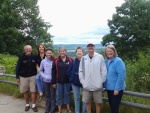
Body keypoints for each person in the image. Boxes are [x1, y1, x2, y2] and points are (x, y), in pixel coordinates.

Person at [79, 42, 107, 113]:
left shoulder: (100, 57)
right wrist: (83, 82)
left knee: (98, 103)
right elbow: (80, 71)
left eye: (92, 46)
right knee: (87, 102)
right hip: (86, 86)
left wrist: (101, 81)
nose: (90, 47)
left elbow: (104, 70)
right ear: (87, 48)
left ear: (94, 47)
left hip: (97, 86)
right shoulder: (83, 58)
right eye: (89, 46)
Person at [16, 45, 38, 112]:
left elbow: (39, 64)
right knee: (25, 91)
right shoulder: (21, 58)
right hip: (23, 77)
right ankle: (27, 105)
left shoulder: (34, 57)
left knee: (33, 91)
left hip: (33, 76)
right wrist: (17, 77)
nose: (28, 50)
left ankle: (33, 105)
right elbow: (17, 67)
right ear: (25, 50)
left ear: (31, 50)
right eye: (27, 49)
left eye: (29, 49)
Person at [104, 45, 126, 113]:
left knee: (115, 107)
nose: (109, 53)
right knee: (111, 106)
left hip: (116, 89)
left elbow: (121, 76)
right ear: (105, 52)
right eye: (107, 51)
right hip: (109, 88)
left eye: (111, 51)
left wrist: (117, 89)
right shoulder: (105, 61)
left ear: (114, 52)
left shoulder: (118, 61)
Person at [52, 47, 73, 113]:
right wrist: (53, 82)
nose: (62, 52)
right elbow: (53, 71)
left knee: (67, 95)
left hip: (67, 81)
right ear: (59, 52)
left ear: (65, 52)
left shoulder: (70, 59)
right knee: (59, 95)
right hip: (59, 81)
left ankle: (68, 109)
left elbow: (72, 70)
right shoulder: (56, 60)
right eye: (61, 51)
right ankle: (60, 110)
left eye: (63, 51)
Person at [67, 47, 87, 113]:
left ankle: (84, 111)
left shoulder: (86, 61)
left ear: (82, 53)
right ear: (76, 53)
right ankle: (77, 111)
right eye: (78, 51)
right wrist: (71, 79)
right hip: (75, 83)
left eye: (80, 51)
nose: (79, 52)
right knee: (76, 98)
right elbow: (68, 71)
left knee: (85, 99)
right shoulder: (73, 61)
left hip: (84, 83)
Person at [39, 48, 56, 113]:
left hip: (53, 81)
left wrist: (54, 79)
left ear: (52, 53)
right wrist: (45, 76)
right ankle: (47, 108)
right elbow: (40, 71)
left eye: (50, 53)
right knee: (47, 95)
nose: (49, 54)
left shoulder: (54, 60)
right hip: (45, 81)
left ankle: (52, 109)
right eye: (48, 53)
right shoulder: (43, 61)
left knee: (52, 95)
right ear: (45, 53)